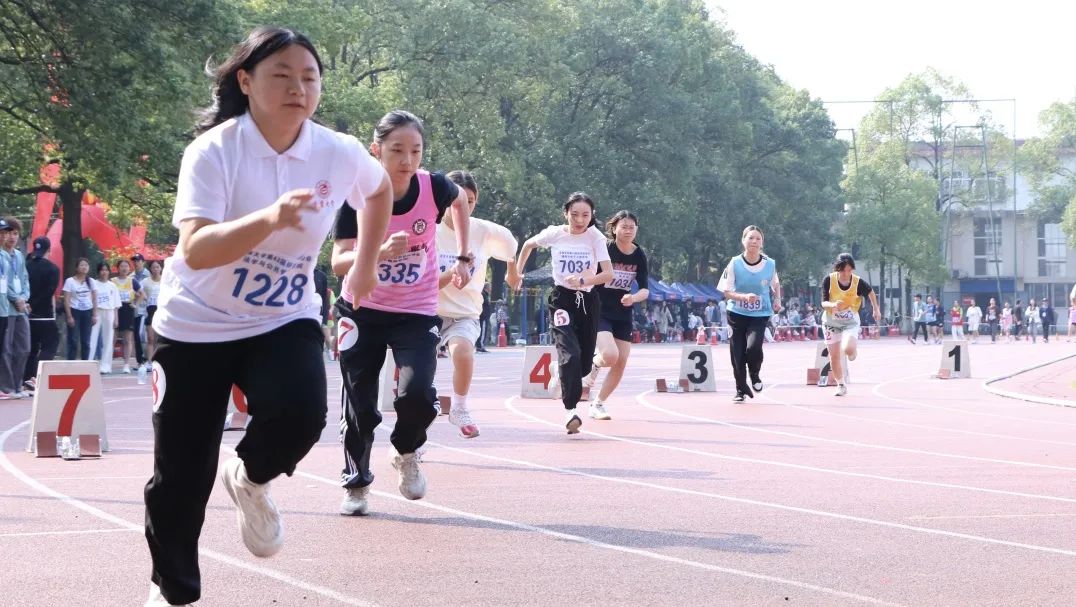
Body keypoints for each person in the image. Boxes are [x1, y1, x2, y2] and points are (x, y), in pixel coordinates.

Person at [142, 27, 392, 607]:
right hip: (195, 324)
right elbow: (196, 249)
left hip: (282, 315)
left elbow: (378, 192)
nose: (298, 88)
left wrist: (365, 266)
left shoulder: (337, 151)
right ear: (246, 81)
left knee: (302, 413)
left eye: (309, 77)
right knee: (181, 474)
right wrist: (272, 218)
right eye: (281, 75)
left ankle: (250, 478)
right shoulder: (214, 151)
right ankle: (171, 591)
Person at [332, 110, 471, 517]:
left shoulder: (434, 187)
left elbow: (460, 201)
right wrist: (376, 252)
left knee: (418, 395)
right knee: (360, 405)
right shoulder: (357, 194)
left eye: (416, 151)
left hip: (416, 309)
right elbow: (339, 261)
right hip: (362, 308)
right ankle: (357, 483)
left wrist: (464, 255)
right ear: (376, 151)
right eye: (396, 151)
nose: (407, 161)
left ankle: (406, 451)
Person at [516, 192, 613, 432]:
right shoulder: (554, 234)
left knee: (584, 365)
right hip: (562, 299)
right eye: (574, 214)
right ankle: (571, 410)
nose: (580, 220)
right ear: (565, 213)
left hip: (587, 300)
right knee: (570, 352)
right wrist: (517, 273)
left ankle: (557, 369)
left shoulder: (595, 237)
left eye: (585, 215)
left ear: (592, 215)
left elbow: (608, 274)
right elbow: (528, 245)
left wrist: (584, 280)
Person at [433, 170, 517, 438]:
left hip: (464, 313)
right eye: (455, 200)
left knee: (463, 353)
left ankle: (459, 407)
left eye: (469, 201)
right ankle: (414, 434)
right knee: (417, 381)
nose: (462, 207)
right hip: (427, 311)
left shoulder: (484, 231)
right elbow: (423, 283)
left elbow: (511, 248)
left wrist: (513, 272)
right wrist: (454, 271)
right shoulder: (429, 229)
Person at [584, 210, 648, 420]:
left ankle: (598, 403)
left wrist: (633, 298)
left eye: (632, 227)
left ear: (636, 229)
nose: (628, 231)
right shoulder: (605, 249)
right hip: (599, 309)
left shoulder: (639, 254)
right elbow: (590, 274)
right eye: (624, 227)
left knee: (621, 361)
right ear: (614, 229)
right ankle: (593, 364)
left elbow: (645, 290)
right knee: (611, 356)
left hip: (623, 312)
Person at [718, 225, 782, 403]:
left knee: (753, 348)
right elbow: (726, 292)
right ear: (743, 240)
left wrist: (777, 300)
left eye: (758, 238)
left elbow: (776, 284)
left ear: (762, 243)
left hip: (759, 314)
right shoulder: (734, 263)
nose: (754, 241)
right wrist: (743, 297)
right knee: (737, 354)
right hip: (736, 314)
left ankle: (754, 374)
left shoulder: (769, 264)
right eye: (751, 238)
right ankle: (740, 390)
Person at [819, 254, 880, 397]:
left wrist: (876, 309)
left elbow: (871, 293)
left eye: (849, 270)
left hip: (850, 322)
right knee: (834, 356)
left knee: (848, 349)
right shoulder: (829, 280)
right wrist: (832, 305)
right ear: (837, 269)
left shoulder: (858, 282)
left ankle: (852, 350)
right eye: (842, 271)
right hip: (830, 322)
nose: (846, 274)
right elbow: (823, 302)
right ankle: (841, 385)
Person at [23, 236, 60, 392]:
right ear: (49, 250)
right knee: (51, 343)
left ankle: (27, 378)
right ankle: (37, 375)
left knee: (31, 348)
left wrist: (28, 304)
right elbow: (49, 292)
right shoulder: (53, 269)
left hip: (26, 313)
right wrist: (35, 304)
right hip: (44, 315)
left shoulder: (26, 266)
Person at [0, 218, 31, 398]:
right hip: (7, 307)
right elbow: (5, 283)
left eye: (15, 233)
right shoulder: (1, 255)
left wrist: (24, 298)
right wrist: (16, 298)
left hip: (21, 308)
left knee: (24, 347)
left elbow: (24, 279)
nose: (11, 237)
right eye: (8, 233)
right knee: (6, 349)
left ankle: (18, 385)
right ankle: (7, 387)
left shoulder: (18, 256)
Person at [111, 259, 143, 374]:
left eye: (126, 266)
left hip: (128, 309)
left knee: (127, 339)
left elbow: (142, 294)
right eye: (122, 266)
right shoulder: (113, 281)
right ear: (118, 268)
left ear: (129, 269)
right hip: (115, 309)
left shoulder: (132, 281)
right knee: (112, 338)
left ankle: (126, 364)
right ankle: (108, 362)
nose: (124, 268)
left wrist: (136, 304)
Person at [61, 258, 96, 361]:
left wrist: (94, 315)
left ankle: (85, 363)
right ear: (76, 268)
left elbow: (95, 299)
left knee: (86, 341)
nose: (84, 267)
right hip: (74, 311)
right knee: (73, 340)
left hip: (87, 312)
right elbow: (66, 300)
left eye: (86, 265)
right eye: (82, 265)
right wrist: (69, 316)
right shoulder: (70, 281)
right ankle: (71, 363)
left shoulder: (91, 281)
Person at [89, 262, 120, 373]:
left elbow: (116, 304)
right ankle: (89, 363)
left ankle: (105, 366)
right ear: (98, 271)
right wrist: (92, 314)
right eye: (102, 270)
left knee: (108, 339)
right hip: (96, 311)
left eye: (106, 270)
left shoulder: (112, 285)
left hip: (109, 312)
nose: (104, 272)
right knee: (92, 337)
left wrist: (116, 319)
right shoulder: (93, 283)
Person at [131, 253, 150, 369]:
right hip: (136, 309)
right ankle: (140, 361)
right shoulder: (131, 277)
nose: (136, 263)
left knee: (146, 335)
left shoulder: (149, 275)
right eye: (134, 261)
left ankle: (148, 359)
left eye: (138, 260)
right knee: (137, 335)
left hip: (148, 309)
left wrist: (141, 294)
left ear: (143, 262)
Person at [142, 260, 163, 361]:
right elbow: (139, 291)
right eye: (153, 267)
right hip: (150, 311)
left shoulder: (165, 280)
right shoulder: (145, 281)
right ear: (150, 269)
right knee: (150, 338)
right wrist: (143, 297)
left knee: (160, 339)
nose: (156, 269)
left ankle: (160, 361)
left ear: (161, 268)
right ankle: (149, 361)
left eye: (157, 267)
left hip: (162, 311)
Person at [477, 283, 492, 352]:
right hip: (483, 316)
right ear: (487, 288)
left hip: (484, 316)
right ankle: (480, 346)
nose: (491, 288)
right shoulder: (483, 295)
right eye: (490, 287)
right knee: (482, 331)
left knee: (483, 331)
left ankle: (480, 345)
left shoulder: (486, 295)